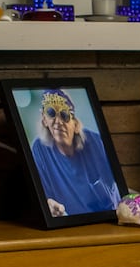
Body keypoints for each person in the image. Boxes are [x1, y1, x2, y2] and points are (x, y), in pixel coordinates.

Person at [28, 89, 120, 217]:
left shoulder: (95, 142)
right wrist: (47, 204)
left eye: (64, 115)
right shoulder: (39, 148)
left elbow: (113, 196)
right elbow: (42, 194)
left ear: (76, 124)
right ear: (44, 120)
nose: (58, 122)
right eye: (51, 113)